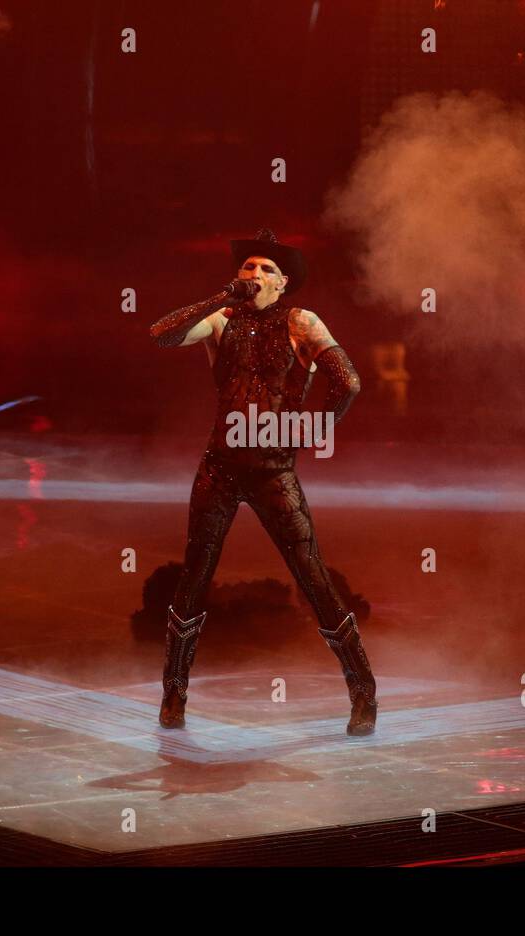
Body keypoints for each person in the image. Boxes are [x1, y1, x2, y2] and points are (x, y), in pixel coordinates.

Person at [149, 228, 378, 735]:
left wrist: (314, 430)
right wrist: (220, 297)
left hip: (274, 469)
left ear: (284, 283)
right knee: (194, 577)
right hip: (220, 466)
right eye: (247, 267)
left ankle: (363, 690)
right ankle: (174, 696)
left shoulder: (301, 320)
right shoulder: (221, 319)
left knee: (312, 576)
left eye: (265, 270)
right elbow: (161, 334)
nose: (253, 275)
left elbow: (349, 382)